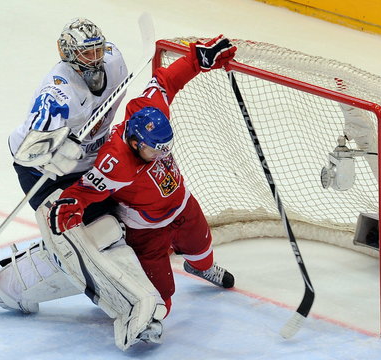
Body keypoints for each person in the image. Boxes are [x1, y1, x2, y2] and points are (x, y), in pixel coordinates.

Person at [0, 18, 167, 351]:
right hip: (44, 171)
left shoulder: (115, 60)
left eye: (97, 49)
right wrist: (59, 147)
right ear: (67, 53)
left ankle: (8, 286)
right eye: (85, 53)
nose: (95, 58)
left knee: (106, 231)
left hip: (87, 163)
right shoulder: (56, 95)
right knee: (82, 240)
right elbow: (30, 151)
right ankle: (132, 308)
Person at [47, 34, 238, 319]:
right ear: (135, 142)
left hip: (182, 204)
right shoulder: (116, 163)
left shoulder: (149, 110)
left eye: (165, 148)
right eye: (155, 149)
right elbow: (85, 192)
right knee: (161, 296)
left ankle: (198, 267)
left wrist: (196, 61)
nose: (162, 155)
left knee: (202, 249)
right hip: (147, 230)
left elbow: (165, 81)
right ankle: (146, 321)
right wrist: (69, 205)